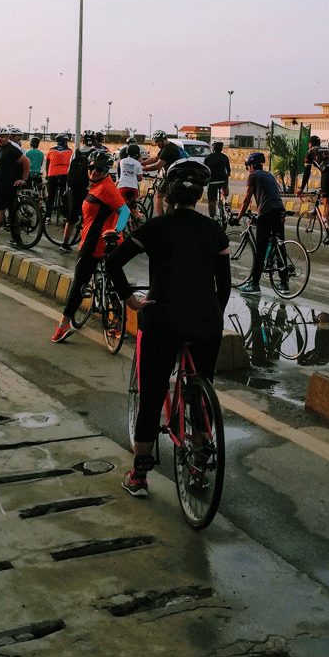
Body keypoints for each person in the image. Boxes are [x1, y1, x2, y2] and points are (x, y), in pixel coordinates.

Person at [105, 159, 230, 498]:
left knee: (152, 394)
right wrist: (211, 315)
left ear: (168, 194)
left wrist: (130, 300)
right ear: (200, 195)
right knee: (200, 397)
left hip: (163, 320)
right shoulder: (214, 231)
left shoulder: (155, 228)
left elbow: (113, 262)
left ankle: (139, 476)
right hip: (206, 322)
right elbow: (225, 287)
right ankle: (200, 464)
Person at [51, 150, 130, 343]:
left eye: (99, 169)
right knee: (110, 283)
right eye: (91, 167)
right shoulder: (98, 185)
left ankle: (62, 326)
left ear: (106, 170)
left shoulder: (106, 188)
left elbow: (125, 211)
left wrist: (117, 230)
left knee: (78, 284)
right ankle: (118, 323)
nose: (94, 171)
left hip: (94, 244)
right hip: (99, 241)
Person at [234, 151, 286, 296]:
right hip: (279, 210)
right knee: (280, 245)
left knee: (260, 249)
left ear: (251, 166)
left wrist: (238, 217)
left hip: (267, 212)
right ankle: (284, 282)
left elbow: (246, 199)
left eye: (247, 167)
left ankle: (255, 285)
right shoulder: (269, 175)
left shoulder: (253, 176)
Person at [0, 127, 30, 244]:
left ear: (8, 137)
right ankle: (16, 237)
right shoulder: (2, 148)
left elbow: (26, 162)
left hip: (3, 185)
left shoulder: (11, 149)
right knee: (12, 210)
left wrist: (23, 179)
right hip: (3, 183)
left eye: (2, 137)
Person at [142, 130, 184, 215]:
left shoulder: (167, 150)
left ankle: (159, 217)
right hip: (179, 175)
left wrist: (144, 169)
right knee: (170, 199)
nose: (156, 144)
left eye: (157, 142)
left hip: (171, 176)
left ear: (162, 140)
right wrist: (141, 163)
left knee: (158, 195)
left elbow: (158, 165)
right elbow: (155, 158)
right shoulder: (169, 146)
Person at [61, 140, 93, 250]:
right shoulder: (94, 153)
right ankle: (83, 245)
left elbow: (70, 169)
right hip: (86, 188)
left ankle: (65, 243)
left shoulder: (76, 152)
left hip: (74, 188)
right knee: (88, 217)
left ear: (83, 141)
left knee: (71, 218)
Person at [44, 133, 72, 222]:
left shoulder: (51, 150)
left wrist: (47, 175)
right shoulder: (70, 151)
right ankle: (65, 217)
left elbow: (47, 163)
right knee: (65, 195)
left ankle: (48, 217)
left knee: (51, 196)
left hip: (52, 174)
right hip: (65, 174)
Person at [204, 140, 231, 222]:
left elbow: (205, 170)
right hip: (223, 180)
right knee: (225, 185)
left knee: (212, 200)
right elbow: (228, 171)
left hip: (212, 181)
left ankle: (212, 217)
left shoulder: (208, 157)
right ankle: (225, 200)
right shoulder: (225, 157)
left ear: (213, 148)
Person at [116, 142, 144, 213]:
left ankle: (122, 222)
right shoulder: (137, 163)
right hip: (133, 187)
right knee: (133, 207)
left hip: (123, 186)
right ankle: (134, 222)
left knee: (121, 207)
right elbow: (139, 178)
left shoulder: (122, 161)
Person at [297, 133, 324, 198]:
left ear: (311, 144)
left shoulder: (311, 152)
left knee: (326, 200)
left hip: (327, 174)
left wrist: (301, 188)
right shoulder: (328, 150)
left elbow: (307, 172)